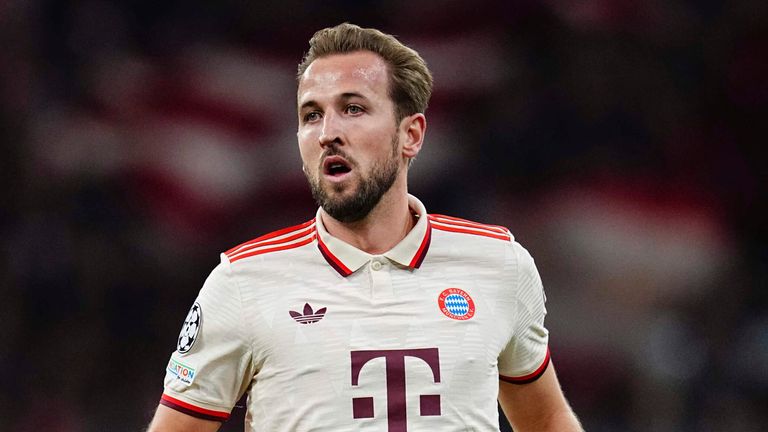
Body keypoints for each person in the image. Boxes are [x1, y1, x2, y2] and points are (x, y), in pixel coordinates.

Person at [147, 23, 582, 432]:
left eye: (353, 109)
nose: (327, 133)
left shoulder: (499, 264)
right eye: (311, 115)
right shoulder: (241, 282)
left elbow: (545, 420)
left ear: (410, 135)